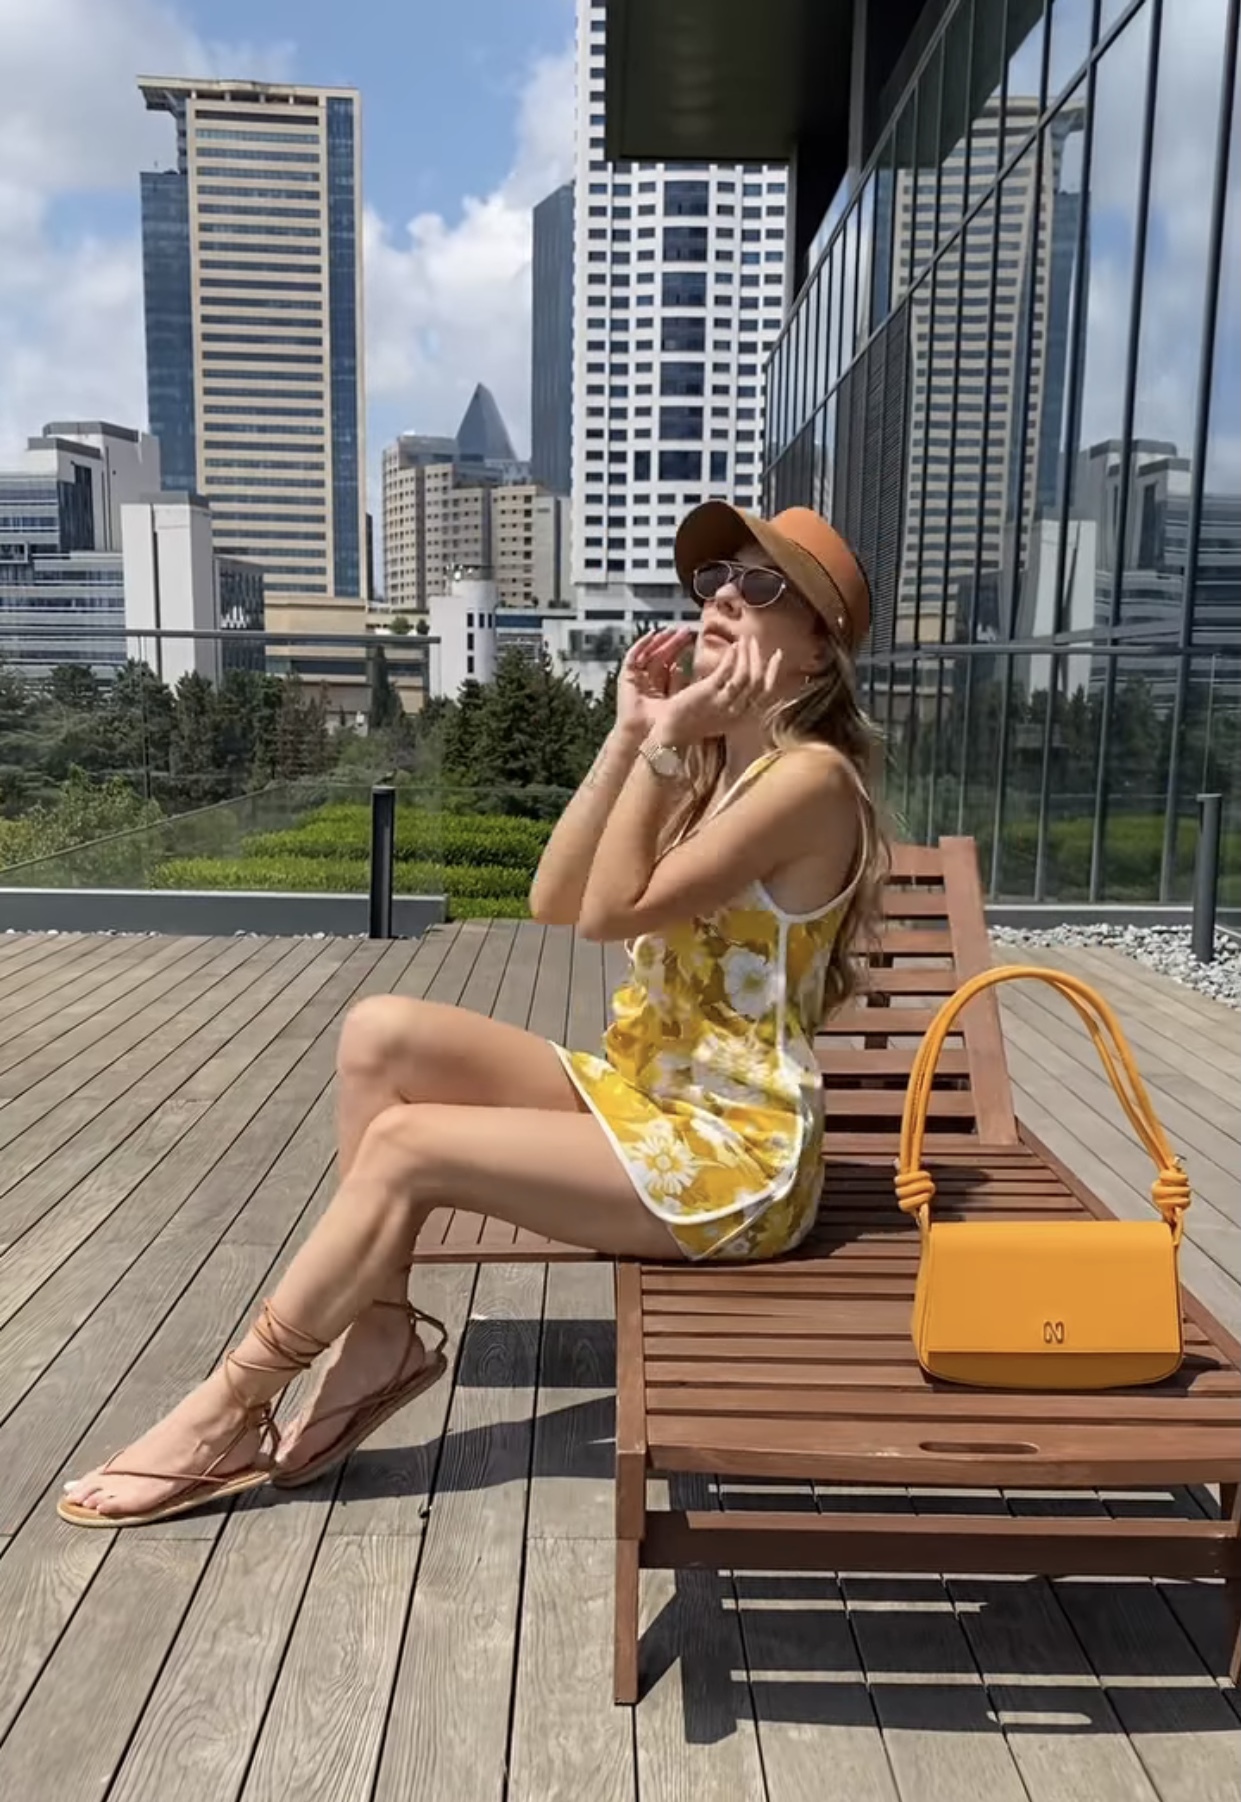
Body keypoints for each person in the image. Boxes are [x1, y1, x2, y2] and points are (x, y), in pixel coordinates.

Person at [59, 501, 886, 1528]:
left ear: (816, 650)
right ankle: (379, 1332)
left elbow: (606, 914)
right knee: (380, 1033)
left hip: (733, 1162)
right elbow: (553, 897)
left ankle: (229, 1407)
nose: (722, 596)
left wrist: (670, 739)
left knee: (409, 1146)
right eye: (715, 576)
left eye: (761, 586)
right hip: (647, 1100)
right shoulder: (716, 767)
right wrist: (632, 734)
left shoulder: (808, 781)